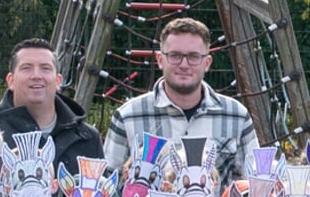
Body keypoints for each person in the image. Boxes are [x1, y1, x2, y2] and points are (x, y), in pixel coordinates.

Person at [102, 18, 260, 184]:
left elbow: (253, 183)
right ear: (160, 59)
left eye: (193, 56)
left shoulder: (236, 117)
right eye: (175, 55)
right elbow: (107, 188)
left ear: (207, 63)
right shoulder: (127, 117)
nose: (184, 64)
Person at [0, 38, 103, 177]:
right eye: (26, 68)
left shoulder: (87, 138)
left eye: (45, 68)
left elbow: (104, 196)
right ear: (10, 81)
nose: (36, 76)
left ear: (58, 81)